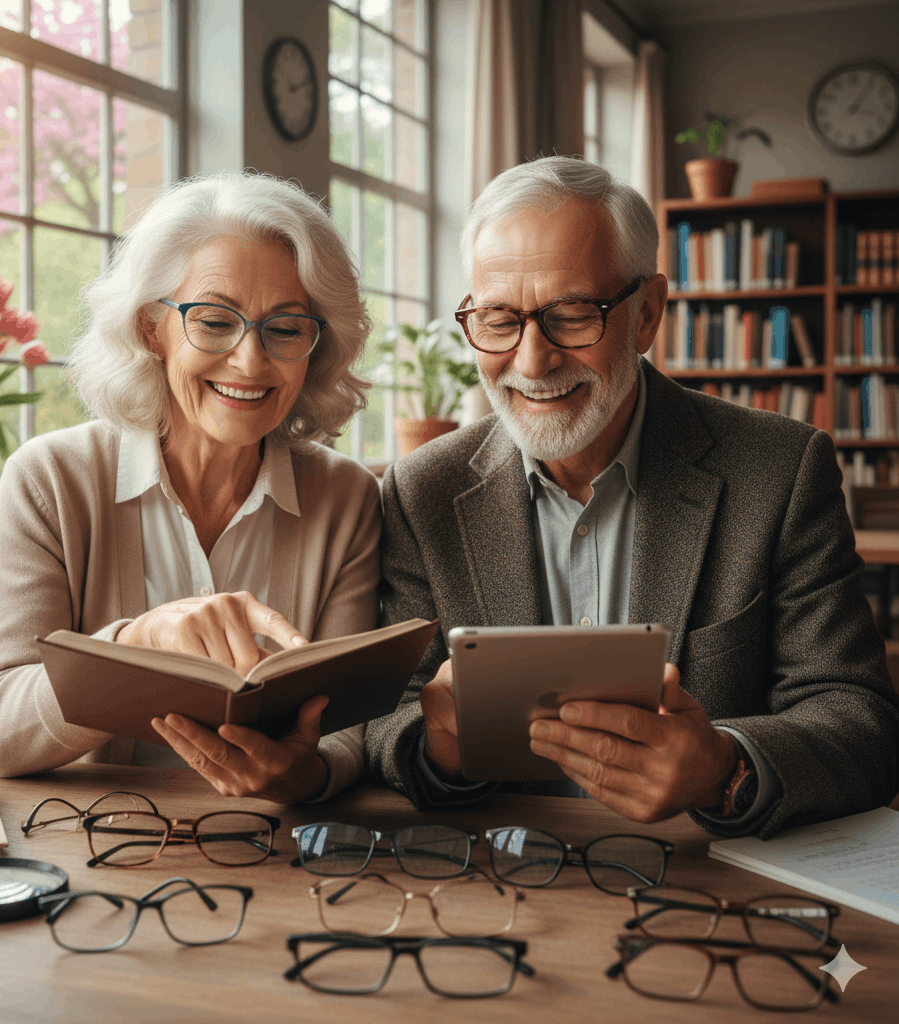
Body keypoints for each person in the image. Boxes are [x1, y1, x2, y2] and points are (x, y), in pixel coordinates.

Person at [365, 155, 899, 838]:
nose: (532, 362)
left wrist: (724, 767)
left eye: (570, 315)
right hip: (497, 885)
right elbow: (384, 718)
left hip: (703, 888)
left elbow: (862, 721)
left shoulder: (781, 471)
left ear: (646, 314)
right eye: (498, 320)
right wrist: (437, 746)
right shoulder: (422, 490)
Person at [0, 172, 381, 805]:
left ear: (315, 348)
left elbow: (348, 730)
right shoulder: (50, 479)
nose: (249, 361)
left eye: (287, 328)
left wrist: (307, 773)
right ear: (151, 329)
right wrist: (138, 644)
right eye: (214, 321)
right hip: (90, 849)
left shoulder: (346, 498)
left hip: (278, 854)